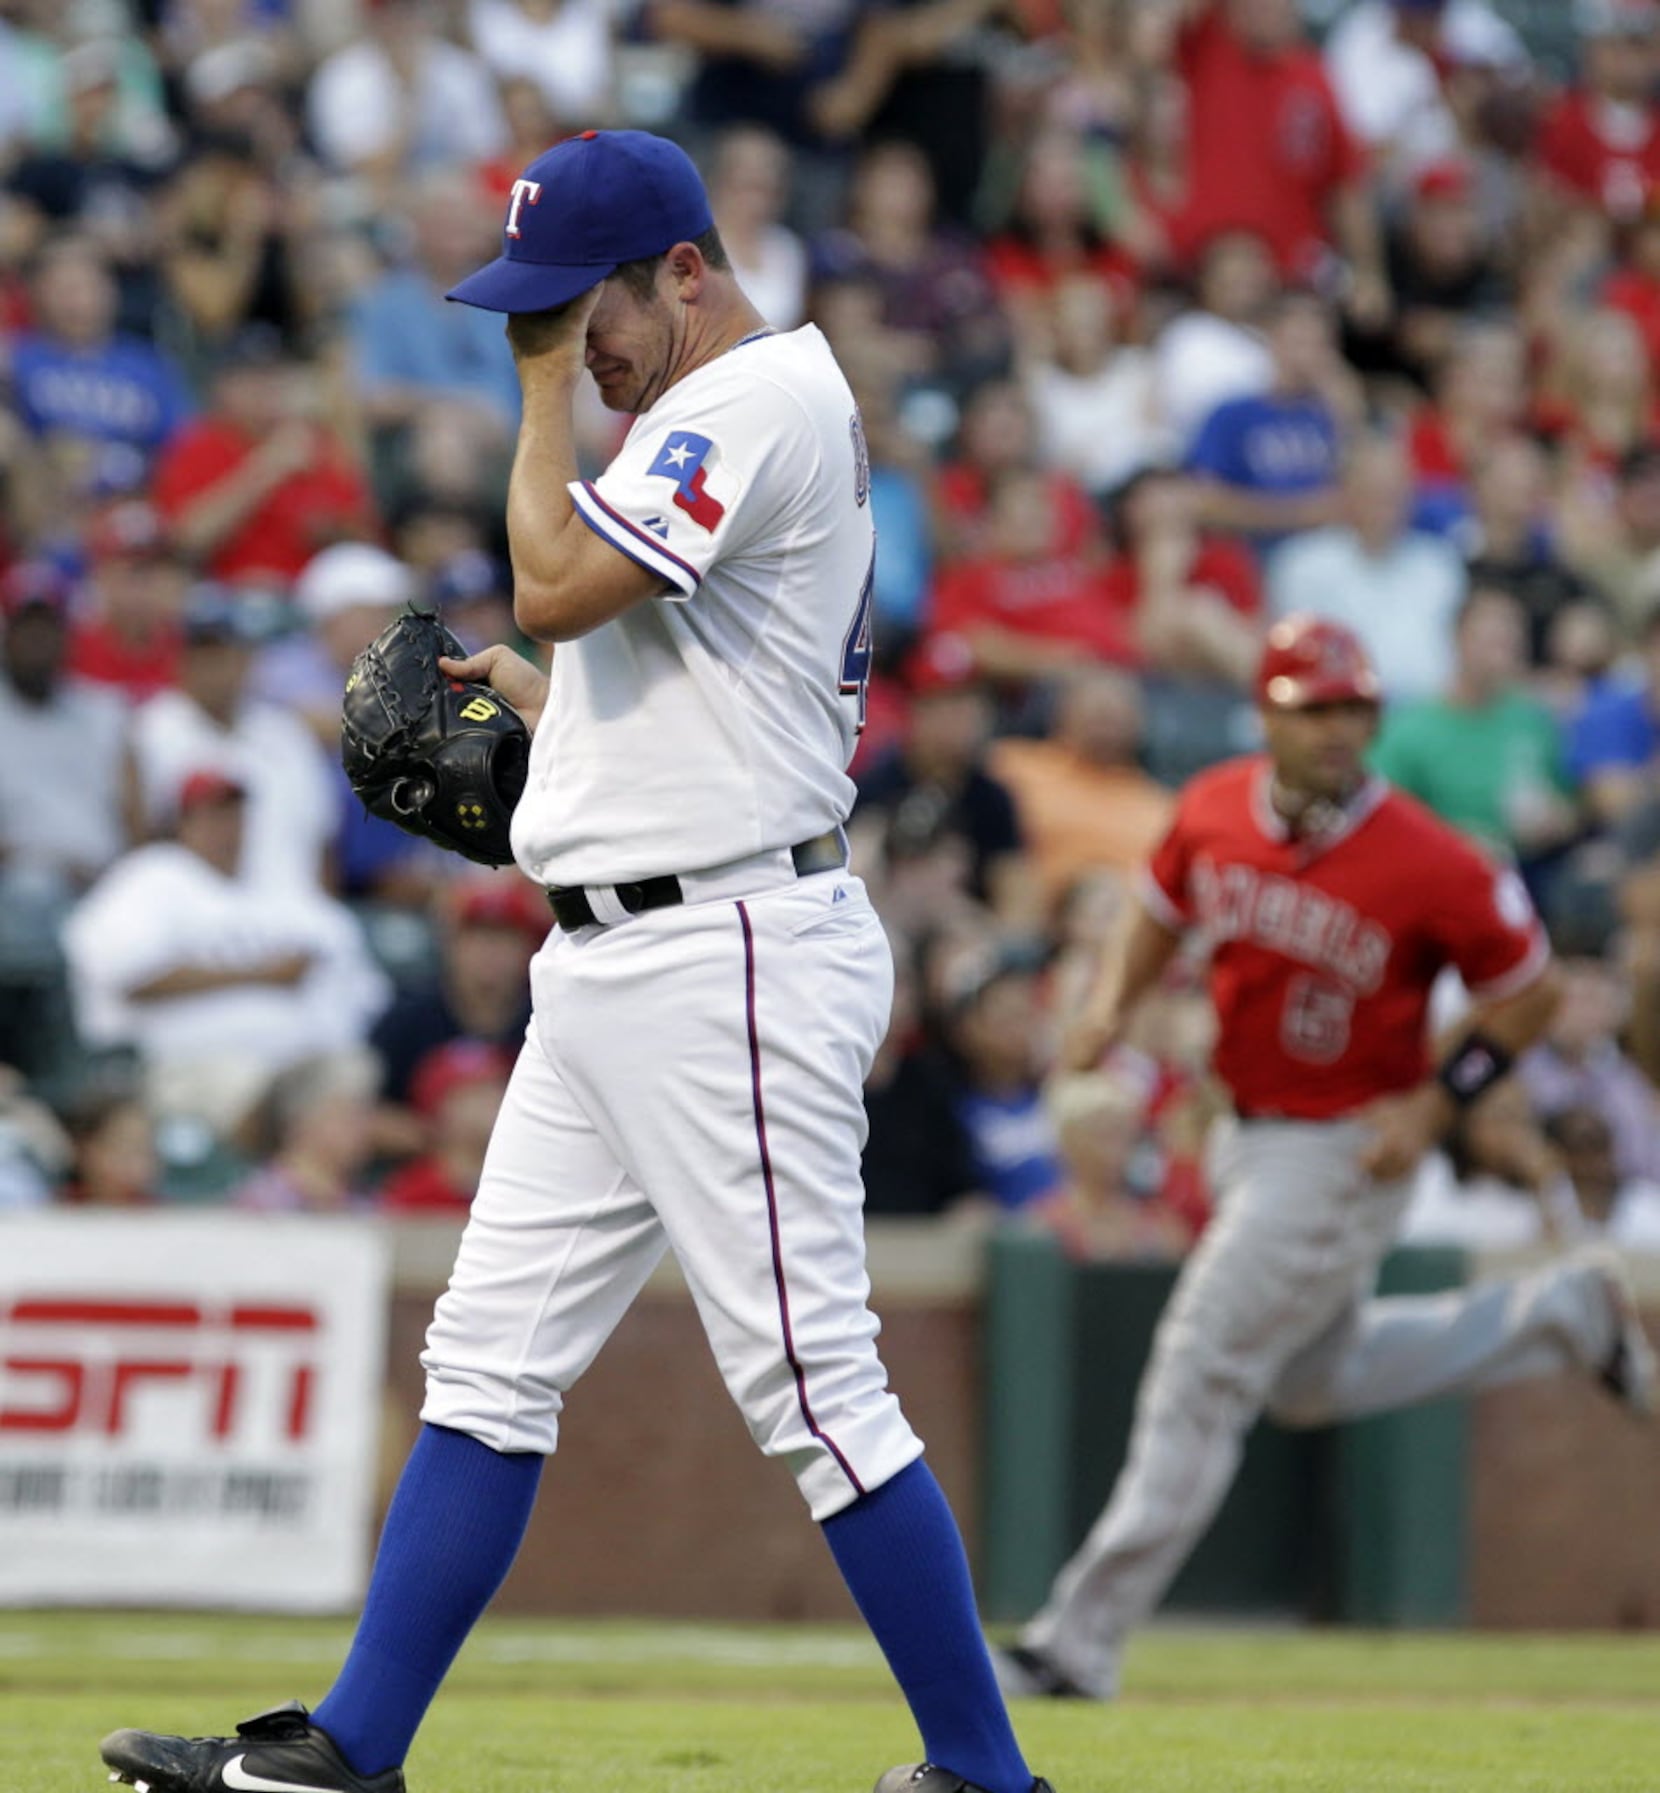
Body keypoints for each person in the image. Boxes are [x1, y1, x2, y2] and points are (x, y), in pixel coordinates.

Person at [99, 128, 1053, 1793]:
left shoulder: (748, 396)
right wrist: (559, 715)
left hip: (728, 950)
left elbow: (552, 579)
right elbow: (666, 658)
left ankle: (986, 1769)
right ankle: (353, 1748)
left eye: (575, 309)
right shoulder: (707, 406)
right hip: (629, 946)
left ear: (683, 269)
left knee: (818, 1385)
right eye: (540, 318)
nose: (558, 340)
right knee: (488, 1359)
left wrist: (539, 399)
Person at [992, 614, 1656, 1706]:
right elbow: (1157, 908)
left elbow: (1527, 990)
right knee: (1303, 1378)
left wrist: (1440, 1099)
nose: (1337, 728)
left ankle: (1076, 1642)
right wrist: (1110, 1004)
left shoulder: (1429, 856)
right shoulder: (1211, 806)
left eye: (1354, 707)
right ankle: (1560, 1315)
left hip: (1345, 1144)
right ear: (1266, 712)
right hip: (1248, 1130)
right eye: (1313, 707)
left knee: (1202, 1358)